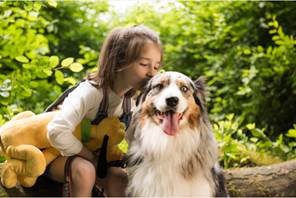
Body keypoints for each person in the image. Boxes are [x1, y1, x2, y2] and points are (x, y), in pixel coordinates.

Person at [46, 24, 163, 196]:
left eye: (156, 66)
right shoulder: (90, 93)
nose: (151, 73)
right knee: (85, 170)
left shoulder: (130, 103)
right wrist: (91, 157)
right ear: (120, 62)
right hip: (52, 156)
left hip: (92, 160)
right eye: (144, 64)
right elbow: (56, 131)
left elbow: (136, 143)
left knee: (120, 178)